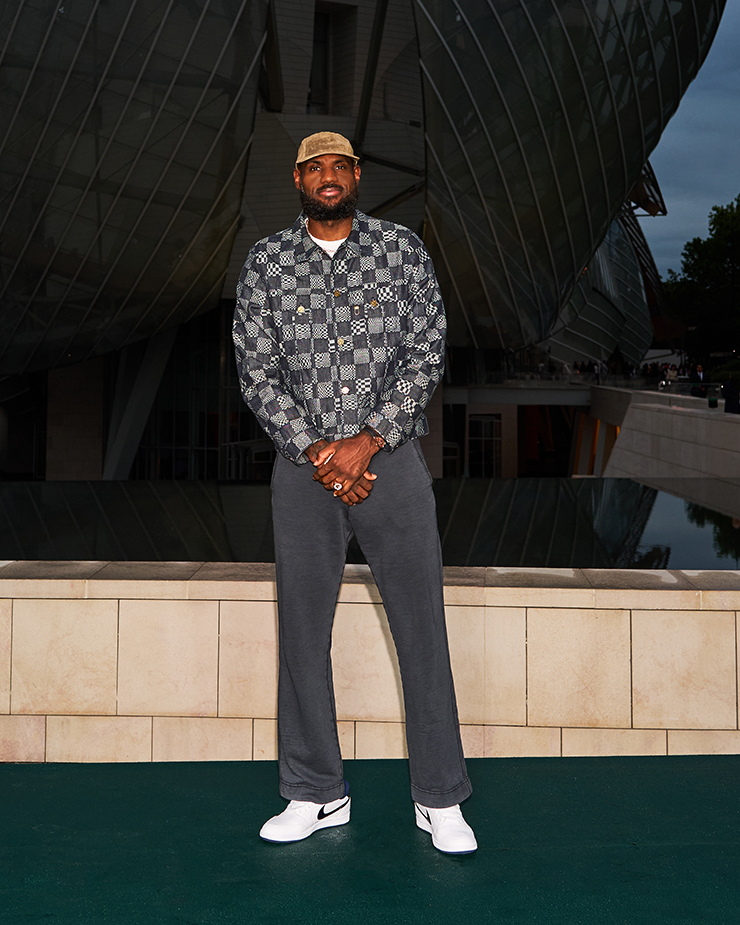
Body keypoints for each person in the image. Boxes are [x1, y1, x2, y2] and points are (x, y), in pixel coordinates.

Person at [232, 132, 476, 855]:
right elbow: (256, 369)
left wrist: (366, 440)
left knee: (421, 630)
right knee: (302, 635)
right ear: (299, 179)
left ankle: (440, 798)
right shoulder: (267, 261)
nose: (329, 177)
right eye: (316, 168)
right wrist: (316, 448)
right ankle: (315, 791)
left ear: (357, 176)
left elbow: (426, 348)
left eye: (341, 166)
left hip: (391, 462)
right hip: (300, 467)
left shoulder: (401, 250)